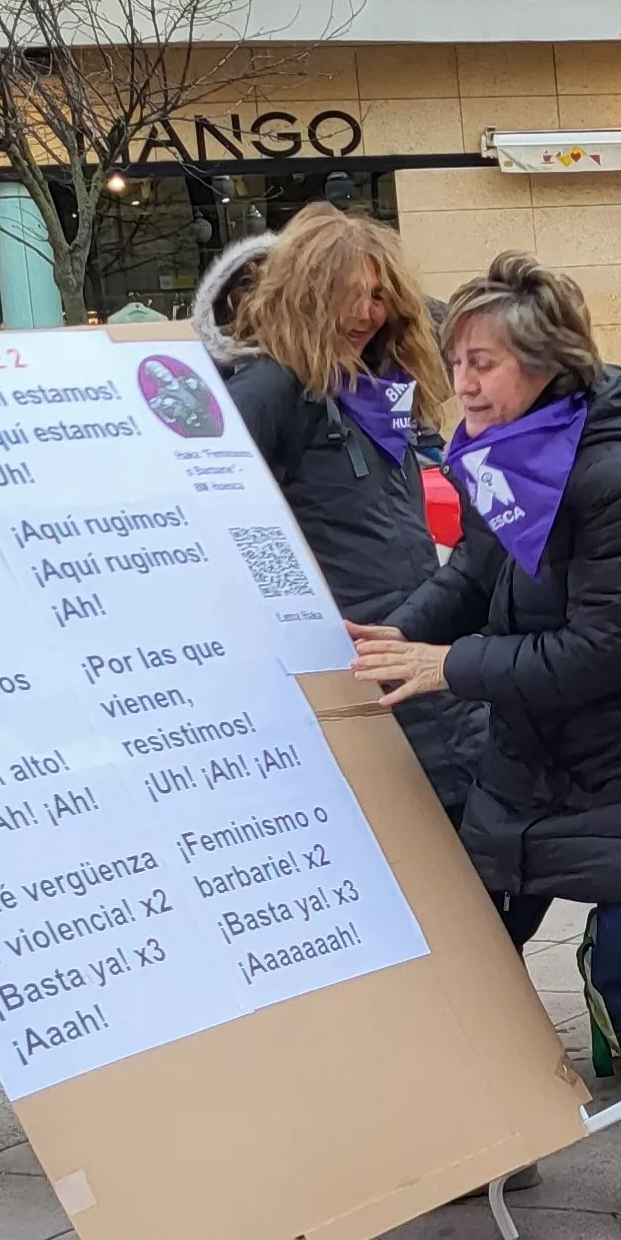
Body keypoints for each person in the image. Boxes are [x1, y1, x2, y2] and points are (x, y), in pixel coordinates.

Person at [351, 253, 621, 1237]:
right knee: (471, 945)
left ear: (548, 364)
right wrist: (388, 640)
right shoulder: (496, 457)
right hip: (533, 751)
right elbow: (471, 577)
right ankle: (498, 1131)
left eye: (483, 363)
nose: (462, 384)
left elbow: (603, 647)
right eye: (455, 362)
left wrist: (450, 666)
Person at [197, 205, 487, 821]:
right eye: (346, 295)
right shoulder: (270, 389)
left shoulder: (378, 388)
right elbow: (216, 523)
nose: (364, 314)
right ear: (304, 295)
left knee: (470, 814)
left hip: (412, 640)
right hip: (349, 660)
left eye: (378, 296)